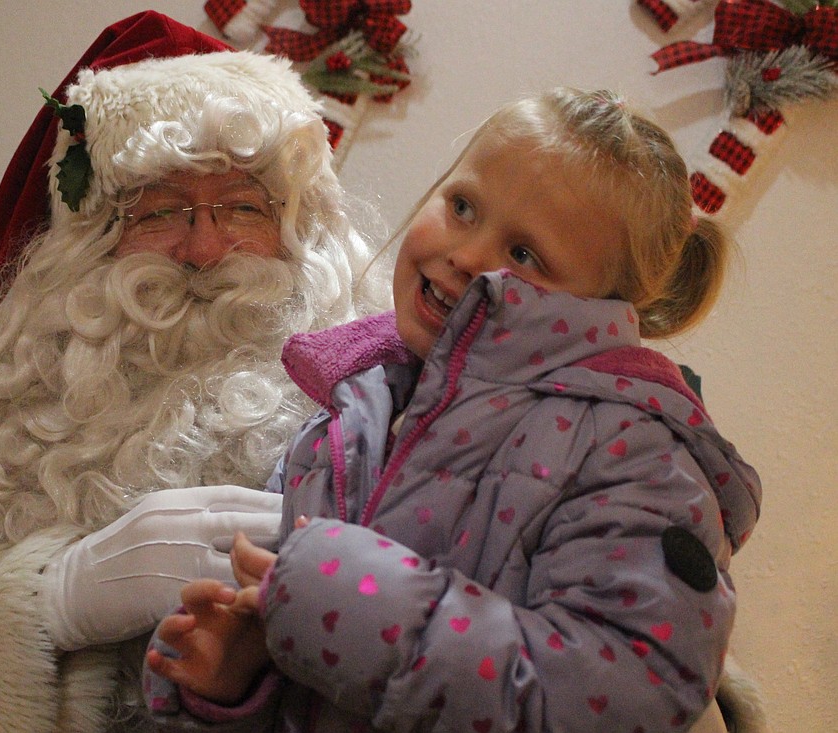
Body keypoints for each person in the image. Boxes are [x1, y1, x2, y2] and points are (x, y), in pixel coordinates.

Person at [0, 12, 388, 733]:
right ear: (89, 247)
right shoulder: (11, 401)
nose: (204, 249)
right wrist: (50, 601)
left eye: (243, 206)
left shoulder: (375, 406)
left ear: (302, 232)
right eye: (161, 211)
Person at [142, 87, 763, 732]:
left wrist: (338, 600)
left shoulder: (635, 456)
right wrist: (233, 681)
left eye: (524, 256)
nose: (466, 256)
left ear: (601, 307)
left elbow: (628, 694)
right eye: (462, 206)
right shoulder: (354, 408)